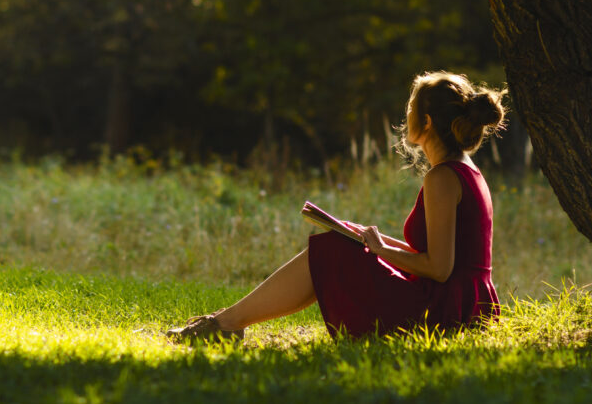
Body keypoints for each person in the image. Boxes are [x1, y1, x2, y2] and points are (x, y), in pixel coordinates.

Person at [166, 71, 506, 342]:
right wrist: (373, 242)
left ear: (428, 123)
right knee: (341, 241)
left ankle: (224, 325)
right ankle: (227, 322)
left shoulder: (443, 178)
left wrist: (378, 250)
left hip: (443, 312)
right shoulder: (463, 171)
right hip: (457, 303)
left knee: (331, 248)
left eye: (411, 109)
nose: (406, 116)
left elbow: (440, 268)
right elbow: (445, 259)